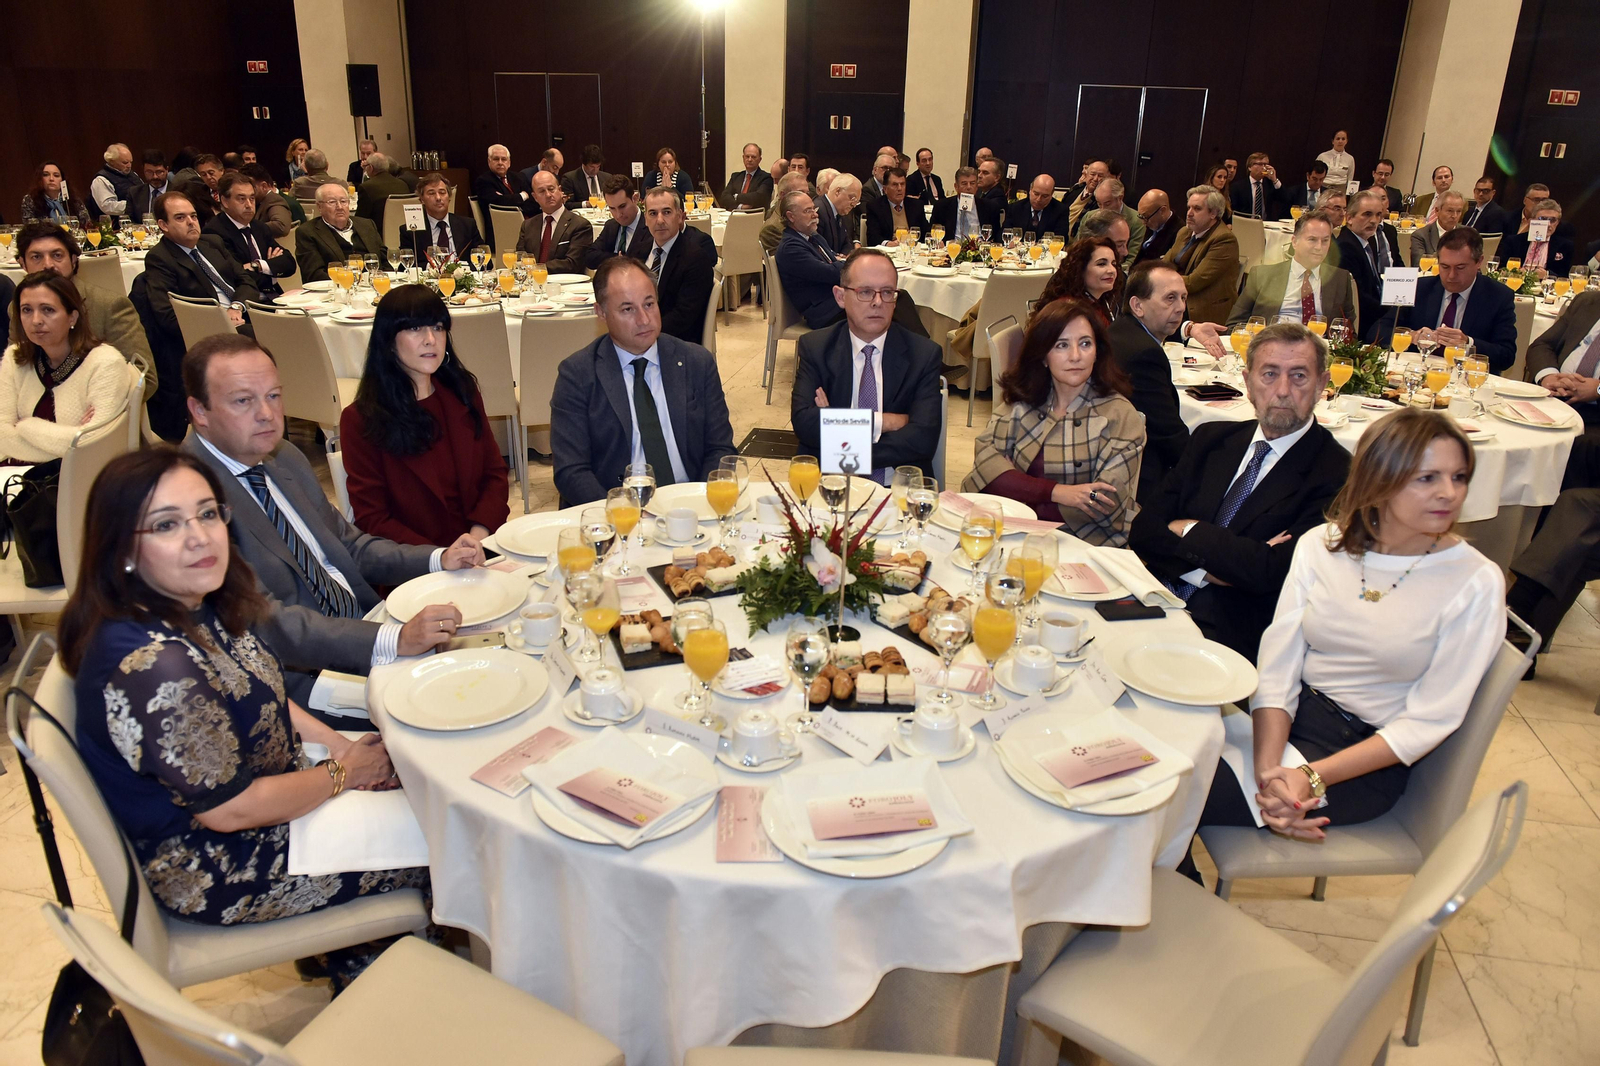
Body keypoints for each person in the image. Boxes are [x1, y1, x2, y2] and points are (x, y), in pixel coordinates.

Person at [62, 446, 428, 952]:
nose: (199, 537)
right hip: (224, 861)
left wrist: (338, 749)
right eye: (167, 525)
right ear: (122, 548)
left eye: (208, 514)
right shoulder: (156, 667)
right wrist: (343, 774)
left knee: (417, 777)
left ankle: (362, 956)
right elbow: (230, 810)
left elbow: (260, 684)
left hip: (269, 785)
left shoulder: (190, 599)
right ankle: (381, 976)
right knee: (440, 839)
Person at [1176, 409, 1502, 869]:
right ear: (1379, 479)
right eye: (1427, 477)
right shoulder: (1321, 546)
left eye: (1459, 476)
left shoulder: (1474, 581)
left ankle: (1165, 919)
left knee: (1163, 798)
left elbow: (1431, 721)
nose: (1449, 493)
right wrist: (1272, 773)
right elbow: (1279, 663)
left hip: (1360, 758)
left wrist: (1308, 777)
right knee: (1156, 762)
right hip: (1282, 722)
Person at [181, 333, 484, 713]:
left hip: (364, 624)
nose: (267, 414)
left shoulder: (283, 457)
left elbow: (349, 546)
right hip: (305, 676)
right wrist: (392, 639)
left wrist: (439, 558)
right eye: (243, 400)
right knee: (461, 705)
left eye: (273, 396)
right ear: (200, 411)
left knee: (499, 647)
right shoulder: (188, 501)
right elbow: (265, 622)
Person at [1130, 322, 1351, 660]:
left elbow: (1270, 572)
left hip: (1232, 633)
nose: (1282, 390)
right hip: (1153, 597)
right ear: (1247, 383)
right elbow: (1144, 530)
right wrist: (1211, 569)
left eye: (1299, 376)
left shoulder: (1336, 472)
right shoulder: (1211, 439)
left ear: (1322, 385)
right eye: (1269, 374)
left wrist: (1188, 528)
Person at [549, 256, 736, 504]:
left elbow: (720, 449)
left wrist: (700, 503)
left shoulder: (695, 362)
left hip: (690, 504)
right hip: (616, 510)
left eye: (649, 304)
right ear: (601, 313)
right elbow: (571, 471)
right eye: (628, 309)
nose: (644, 319)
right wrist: (619, 515)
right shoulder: (578, 375)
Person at [964, 298, 1145, 543]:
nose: (1075, 356)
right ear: (1042, 356)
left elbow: (1103, 503)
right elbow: (984, 464)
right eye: (1061, 345)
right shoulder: (1022, 401)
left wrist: (1014, 485)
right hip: (1011, 535)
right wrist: (1058, 492)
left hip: (1085, 544)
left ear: (1097, 352)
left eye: (1085, 343)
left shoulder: (1119, 415)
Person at [340, 285, 508, 546]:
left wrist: (477, 535)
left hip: (479, 546)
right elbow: (372, 519)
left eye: (439, 327)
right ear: (389, 341)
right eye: (415, 328)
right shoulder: (361, 419)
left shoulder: (462, 393)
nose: (431, 339)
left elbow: (494, 474)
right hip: (415, 565)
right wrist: (439, 557)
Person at [790, 249, 943, 481]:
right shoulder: (816, 348)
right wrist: (883, 422)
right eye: (866, 292)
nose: (878, 302)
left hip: (899, 490)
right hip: (832, 485)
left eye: (887, 292)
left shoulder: (923, 354)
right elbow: (805, 424)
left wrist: (837, 430)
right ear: (840, 297)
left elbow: (921, 440)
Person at [1, 272, 132, 463]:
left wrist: (26, 427)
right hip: (15, 477)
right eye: (27, 310)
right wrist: (71, 439)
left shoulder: (105, 364)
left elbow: (93, 445)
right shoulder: (15, 357)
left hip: (80, 480)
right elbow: (2, 435)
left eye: (48, 310)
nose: (36, 320)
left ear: (72, 317)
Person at [775, 190, 927, 335]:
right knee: (894, 300)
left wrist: (843, 262)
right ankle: (924, 355)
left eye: (814, 209)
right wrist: (846, 262)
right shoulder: (791, 247)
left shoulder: (813, 237)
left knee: (894, 298)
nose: (815, 214)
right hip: (824, 311)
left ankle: (916, 353)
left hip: (837, 299)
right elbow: (831, 273)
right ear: (791, 216)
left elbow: (835, 262)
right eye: (808, 211)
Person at [11, 223, 152, 375]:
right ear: (23, 264)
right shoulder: (20, 306)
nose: (48, 265)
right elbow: (19, 364)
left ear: (73, 260)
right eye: (36, 257)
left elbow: (144, 375)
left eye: (57, 255)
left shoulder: (109, 305)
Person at [1107, 261, 1194, 498]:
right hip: (1138, 479)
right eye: (1170, 298)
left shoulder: (1122, 330)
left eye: (1183, 298)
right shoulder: (1144, 355)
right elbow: (1169, 437)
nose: (1180, 308)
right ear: (1137, 306)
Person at [1394, 227, 1518, 374]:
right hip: (1417, 372)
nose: (1451, 276)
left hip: (1466, 380)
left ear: (1479, 262)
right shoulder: (1419, 288)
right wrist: (1411, 336)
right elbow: (1378, 330)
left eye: (1460, 267)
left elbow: (1506, 355)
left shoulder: (1498, 296)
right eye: (1445, 267)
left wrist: (1468, 344)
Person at [145, 192, 259, 339]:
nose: (191, 222)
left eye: (193, 216)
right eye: (180, 218)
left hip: (244, 311)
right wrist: (222, 320)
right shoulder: (160, 258)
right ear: (163, 225)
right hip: (213, 332)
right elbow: (167, 315)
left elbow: (246, 281)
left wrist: (236, 307)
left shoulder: (212, 242)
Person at [1227, 210, 1355, 328]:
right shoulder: (1262, 275)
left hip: (1320, 348)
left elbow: (1348, 333)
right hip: (1274, 344)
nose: (1319, 247)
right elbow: (1234, 325)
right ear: (1294, 241)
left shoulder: (1340, 279)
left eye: (1325, 241)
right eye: (1312, 240)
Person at [639, 188, 717, 345]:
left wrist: (643, 332)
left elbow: (684, 316)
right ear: (646, 219)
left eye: (666, 212)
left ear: (680, 216)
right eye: (653, 213)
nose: (659, 220)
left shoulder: (695, 258)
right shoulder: (639, 250)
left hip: (674, 342)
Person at [204, 174, 295, 301]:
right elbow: (238, 277)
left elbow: (290, 264)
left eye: (252, 198)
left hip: (275, 298)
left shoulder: (258, 227)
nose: (249, 205)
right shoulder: (214, 233)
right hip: (246, 304)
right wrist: (271, 268)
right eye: (241, 199)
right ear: (225, 201)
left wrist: (258, 266)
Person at [1525, 285, 1600, 435]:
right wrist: (1549, 377)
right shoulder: (1587, 302)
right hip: (1554, 398)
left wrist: (1597, 390)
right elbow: (1542, 345)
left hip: (1594, 415)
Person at [1163, 186, 1240, 325]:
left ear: (1213, 213)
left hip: (1202, 306)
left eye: (1197, 209)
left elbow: (1194, 282)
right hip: (1179, 296)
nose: (1189, 214)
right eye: (1189, 208)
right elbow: (1166, 263)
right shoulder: (1185, 232)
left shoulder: (1224, 240)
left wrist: (1160, 281)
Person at [1336, 189, 1403, 343]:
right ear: (1350, 218)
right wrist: (1391, 309)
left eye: (1378, 215)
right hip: (1364, 324)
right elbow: (1358, 296)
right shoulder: (1346, 247)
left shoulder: (1363, 241)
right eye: (1367, 214)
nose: (1374, 220)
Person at [295, 183, 388, 284]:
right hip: (336, 292)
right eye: (332, 202)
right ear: (319, 207)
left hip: (374, 286)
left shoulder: (366, 225)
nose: (339, 207)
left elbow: (385, 261)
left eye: (343, 201)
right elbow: (314, 275)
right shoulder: (308, 232)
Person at [516, 171, 594, 273]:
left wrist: (537, 268)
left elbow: (573, 264)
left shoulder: (580, 225)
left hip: (564, 285)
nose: (548, 195)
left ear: (560, 191)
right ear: (535, 197)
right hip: (532, 283)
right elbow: (520, 257)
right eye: (542, 191)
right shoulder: (528, 225)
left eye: (551, 189)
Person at [397, 172, 483, 265]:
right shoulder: (411, 230)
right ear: (422, 200)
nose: (438, 198)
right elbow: (405, 266)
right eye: (431, 193)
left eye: (442, 193)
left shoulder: (467, 225)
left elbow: (485, 262)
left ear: (449, 197)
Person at [1039, 236, 1123, 325]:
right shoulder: (1069, 311)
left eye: (1114, 264)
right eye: (1101, 264)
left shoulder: (1100, 302)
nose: (1112, 270)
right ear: (1080, 269)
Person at [586, 175, 652, 269]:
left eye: (622, 206)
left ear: (635, 198)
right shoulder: (611, 225)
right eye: (612, 208)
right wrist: (617, 258)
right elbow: (590, 257)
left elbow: (640, 262)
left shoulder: (649, 226)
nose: (618, 215)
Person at [1498, 198, 1574, 278]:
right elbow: (1501, 268)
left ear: (1557, 223)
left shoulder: (1565, 245)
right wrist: (1515, 272)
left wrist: (1547, 274)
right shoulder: (1514, 241)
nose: (1548, 224)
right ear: (1531, 221)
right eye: (1542, 219)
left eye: (1552, 220)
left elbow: (1566, 276)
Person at [1076, 180, 1145, 266]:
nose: (1103, 209)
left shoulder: (1136, 220)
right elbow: (1078, 248)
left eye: (1107, 203)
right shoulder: (1090, 216)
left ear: (1120, 198)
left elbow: (1132, 260)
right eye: (1099, 204)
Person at [930, 167, 1001, 240]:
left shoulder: (990, 206)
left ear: (977, 186)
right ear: (956, 186)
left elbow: (997, 234)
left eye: (972, 183)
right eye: (964, 184)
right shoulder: (942, 206)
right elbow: (932, 231)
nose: (969, 187)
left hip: (979, 247)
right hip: (951, 247)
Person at [20, 162, 91, 228]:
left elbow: (87, 225)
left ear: (62, 180)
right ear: (40, 179)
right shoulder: (31, 200)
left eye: (56, 175)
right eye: (46, 175)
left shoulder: (73, 200)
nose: (51, 179)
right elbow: (29, 229)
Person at [759, 172, 814, 255]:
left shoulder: (804, 217)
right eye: (800, 193)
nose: (806, 197)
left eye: (807, 193)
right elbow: (795, 260)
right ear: (782, 195)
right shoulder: (772, 229)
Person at [473, 144, 533, 219]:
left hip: (527, 221)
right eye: (496, 159)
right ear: (489, 161)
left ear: (509, 162)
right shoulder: (483, 181)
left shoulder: (518, 177)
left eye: (504, 159)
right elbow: (499, 202)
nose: (500, 163)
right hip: (501, 225)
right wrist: (522, 196)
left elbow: (533, 201)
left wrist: (507, 199)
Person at [353, 152, 410, 230]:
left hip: (377, 232)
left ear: (370, 168)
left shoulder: (367, 187)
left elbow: (361, 218)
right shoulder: (402, 184)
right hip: (402, 230)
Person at [1409, 191, 1463, 268]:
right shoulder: (1421, 235)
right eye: (1450, 211)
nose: (1454, 216)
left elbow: (1475, 266)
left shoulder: (1469, 234)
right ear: (1437, 211)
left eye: (1458, 211)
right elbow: (1420, 266)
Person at [864, 168, 916, 246]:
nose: (899, 188)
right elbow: (873, 237)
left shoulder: (916, 205)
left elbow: (925, 232)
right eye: (895, 185)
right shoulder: (875, 207)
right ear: (885, 189)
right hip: (888, 251)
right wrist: (887, 243)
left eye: (902, 184)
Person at [89, 143, 137, 221]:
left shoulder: (133, 175)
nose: (129, 166)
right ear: (112, 161)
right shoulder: (101, 179)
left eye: (130, 162)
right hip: (116, 226)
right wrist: (134, 204)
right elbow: (107, 206)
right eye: (125, 163)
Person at [816, 174, 861, 256]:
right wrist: (837, 257)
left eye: (857, 201)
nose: (854, 205)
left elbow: (847, 242)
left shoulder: (841, 211)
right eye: (852, 198)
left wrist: (844, 255)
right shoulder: (819, 211)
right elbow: (818, 247)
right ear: (837, 191)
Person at [1230, 152, 1284, 221]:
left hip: (1266, 224)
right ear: (1250, 167)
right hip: (1245, 223)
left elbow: (1284, 198)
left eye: (1265, 164)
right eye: (1260, 164)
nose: (1263, 168)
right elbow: (1234, 210)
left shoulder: (1270, 184)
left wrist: (1274, 179)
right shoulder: (1238, 186)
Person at [720, 143, 774, 210]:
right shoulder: (735, 177)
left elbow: (759, 197)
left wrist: (736, 196)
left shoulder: (766, 178)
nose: (750, 160)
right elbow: (724, 197)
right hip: (734, 216)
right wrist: (740, 207)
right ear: (743, 158)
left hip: (755, 217)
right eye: (747, 156)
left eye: (753, 157)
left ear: (760, 159)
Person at [1134, 189, 1180, 263]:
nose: (1143, 222)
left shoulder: (1178, 232)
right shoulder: (1152, 223)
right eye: (1141, 216)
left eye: (1146, 217)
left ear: (1162, 211)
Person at [1067, 159, 1111, 233]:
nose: (1095, 179)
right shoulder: (1074, 191)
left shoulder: (1103, 201)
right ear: (1086, 175)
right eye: (1093, 174)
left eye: (1100, 176)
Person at [127, 151, 171, 221]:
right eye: (149, 172)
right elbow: (129, 221)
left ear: (167, 170)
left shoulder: (179, 191)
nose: (155, 177)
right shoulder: (134, 193)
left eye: (159, 172)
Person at [907, 148, 944, 213]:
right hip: (921, 213)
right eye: (924, 161)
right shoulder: (911, 180)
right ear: (918, 164)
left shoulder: (937, 179)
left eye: (930, 159)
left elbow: (943, 199)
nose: (928, 163)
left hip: (938, 213)